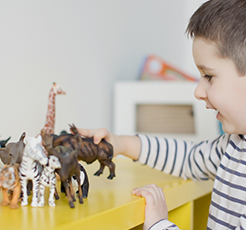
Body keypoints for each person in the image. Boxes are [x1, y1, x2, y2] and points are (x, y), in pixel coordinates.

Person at [78, 0, 246, 229]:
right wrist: (123, 144)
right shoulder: (234, 146)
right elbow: (189, 159)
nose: (198, 91)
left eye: (208, 76)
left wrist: (159, 225)